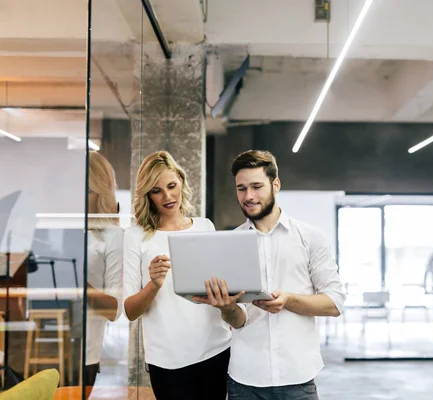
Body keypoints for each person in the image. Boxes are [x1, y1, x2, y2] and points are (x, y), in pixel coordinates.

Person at [194, 149, 346, 400]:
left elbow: (335, 302)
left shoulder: (309, 237)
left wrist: (288, 300)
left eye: (256, 187)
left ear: (275, 184)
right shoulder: (229, 245)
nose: (248, 196)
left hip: (298, 378)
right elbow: (239, 320)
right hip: (245, 380)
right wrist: (226, 307)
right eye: (241, 188)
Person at [122, 151, 231, 399]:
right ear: (148, 195)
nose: (167, 196)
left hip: (215, 349)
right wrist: (154, 284)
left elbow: (219, 286)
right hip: (166, 359)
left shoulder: (205, 227)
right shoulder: (136, 236)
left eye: (172, 186)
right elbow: (130, 311)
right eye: (156, 190)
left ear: (181, 181)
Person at [84, 151, 123, 389]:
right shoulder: (58, 229)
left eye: (87, 190)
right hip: (38, 347)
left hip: (84, 353)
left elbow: (115, 310)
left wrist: (79, 283)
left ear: (101, 192)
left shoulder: (111, 236)